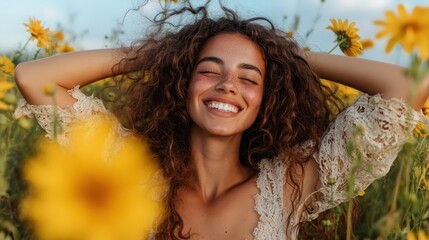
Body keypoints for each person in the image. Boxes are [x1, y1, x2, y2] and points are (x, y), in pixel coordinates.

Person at [13, 6, 428, 240]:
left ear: (266, 99)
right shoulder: (129, 172)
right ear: (182, 80)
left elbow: (409, 84)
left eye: (250, 78)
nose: (229, 85)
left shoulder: (290, 183)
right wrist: (164, 53)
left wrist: (288, 59)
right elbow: (34, 78)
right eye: (209, 70)